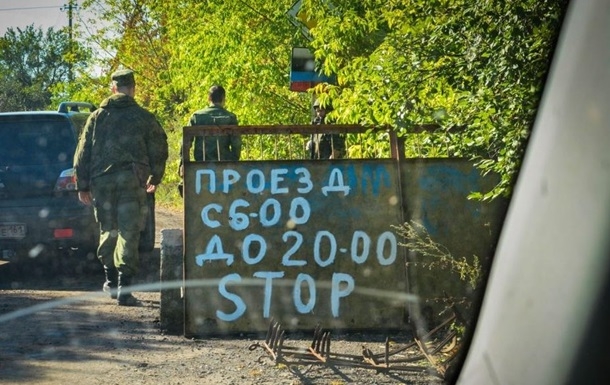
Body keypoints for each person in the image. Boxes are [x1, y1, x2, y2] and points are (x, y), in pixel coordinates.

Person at [73, 69, 168, 306]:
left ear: (113, 89)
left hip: (101, 182)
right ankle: (125, 288)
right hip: (132, 180)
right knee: (129, 231)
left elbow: (82, 153)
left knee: (108, 229)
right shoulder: (144, 117)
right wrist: (155, 178)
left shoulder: (96, 117)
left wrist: (82, 184)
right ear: (133, 88)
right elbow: (159, 148)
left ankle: (111, 282)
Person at [178, 85, 239, 195]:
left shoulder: (197, 116)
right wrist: (234, 161)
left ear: (209, 98)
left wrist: (183, 164)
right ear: (223, 98)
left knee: (203, 196)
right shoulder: (230, 117)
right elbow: (236, 143)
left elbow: (186, 142)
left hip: (201, 165)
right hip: (224, 165)